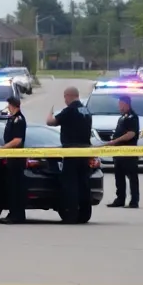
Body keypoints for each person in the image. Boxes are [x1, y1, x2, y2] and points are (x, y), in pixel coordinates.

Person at [45, 86, 93, 224]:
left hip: (71, 151)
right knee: (84, 183)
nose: (64, 100)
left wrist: (50, 113)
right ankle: (84, 214)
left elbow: (51, 122)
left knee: (70, 184)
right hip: (85, 151)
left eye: (65, 97)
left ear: (68, 95)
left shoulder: (69, 110)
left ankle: (71, 215)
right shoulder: (86, 110)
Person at [106, 95, 141, 209]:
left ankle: (134, 201)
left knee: (132, 177)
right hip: (119, 153)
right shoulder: (122, 117)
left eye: (121, 105)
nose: (119, 107)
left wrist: (115, 141)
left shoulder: (132, 117)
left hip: (128, 152)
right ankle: (120, 199)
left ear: (126, 104)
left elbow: (131, 134)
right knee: (119, 176)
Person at [0, 95, 28, 224]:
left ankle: (17, 215)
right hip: (11, 158)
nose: (8, 108)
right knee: (12, 187)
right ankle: (13, 213)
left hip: (16, 159)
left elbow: (17, 140)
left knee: (16, 187)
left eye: (9, 105)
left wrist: (3, 148)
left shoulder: (19, 120)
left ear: (13, 105)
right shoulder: (12, 119)